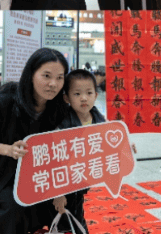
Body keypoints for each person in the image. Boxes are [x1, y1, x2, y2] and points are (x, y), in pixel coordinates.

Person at [0, 48, 69, 234]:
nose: (53, 84)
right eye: (46, 76)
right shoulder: (4, 100)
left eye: (60, 78)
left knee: (62, 203)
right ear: (31, 74)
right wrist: (9, 150)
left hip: (37, 169)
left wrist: (59, 190)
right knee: (13, 207)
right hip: (2, 170)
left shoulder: (59, 107)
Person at [52, 69, 106, 233]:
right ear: (67, 98)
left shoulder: (98, 119)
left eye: (89, 93)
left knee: (75, 209)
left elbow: (108, 142)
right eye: (77, 94)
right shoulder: (63, 125)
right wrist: (58, 193)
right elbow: (54, 162)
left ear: (96, 95)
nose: (84, 98)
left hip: (80, 178)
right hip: (64, 182)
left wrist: (126, 147)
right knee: (66, 216)